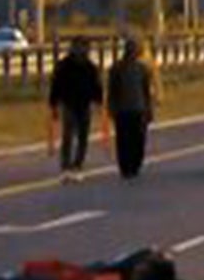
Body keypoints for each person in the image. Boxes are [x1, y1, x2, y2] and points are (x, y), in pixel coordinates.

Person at [47, 37, 104, 182]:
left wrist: (99, 102)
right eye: (78, 47)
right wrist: (53, 104)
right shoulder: (63, 66)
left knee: (83, 137)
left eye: (84, 47)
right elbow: (56, 85)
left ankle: (77, 165)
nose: (81, 50)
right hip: (69, 104)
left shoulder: (90, 67)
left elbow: (96, 86)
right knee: (68, 136)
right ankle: (66, 166)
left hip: (84, 104)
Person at [106, 38, 157, 181]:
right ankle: (125, 167)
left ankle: (135, 164)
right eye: (131, 48)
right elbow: (112, 90)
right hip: (122, 110)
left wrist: (149, 109)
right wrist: (111, 107)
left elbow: (146, 90)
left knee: (138, 139)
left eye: (135, 49)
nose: (133, 51)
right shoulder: (116, 68)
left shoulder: (142, 69)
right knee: (123, 139)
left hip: (139, 108)